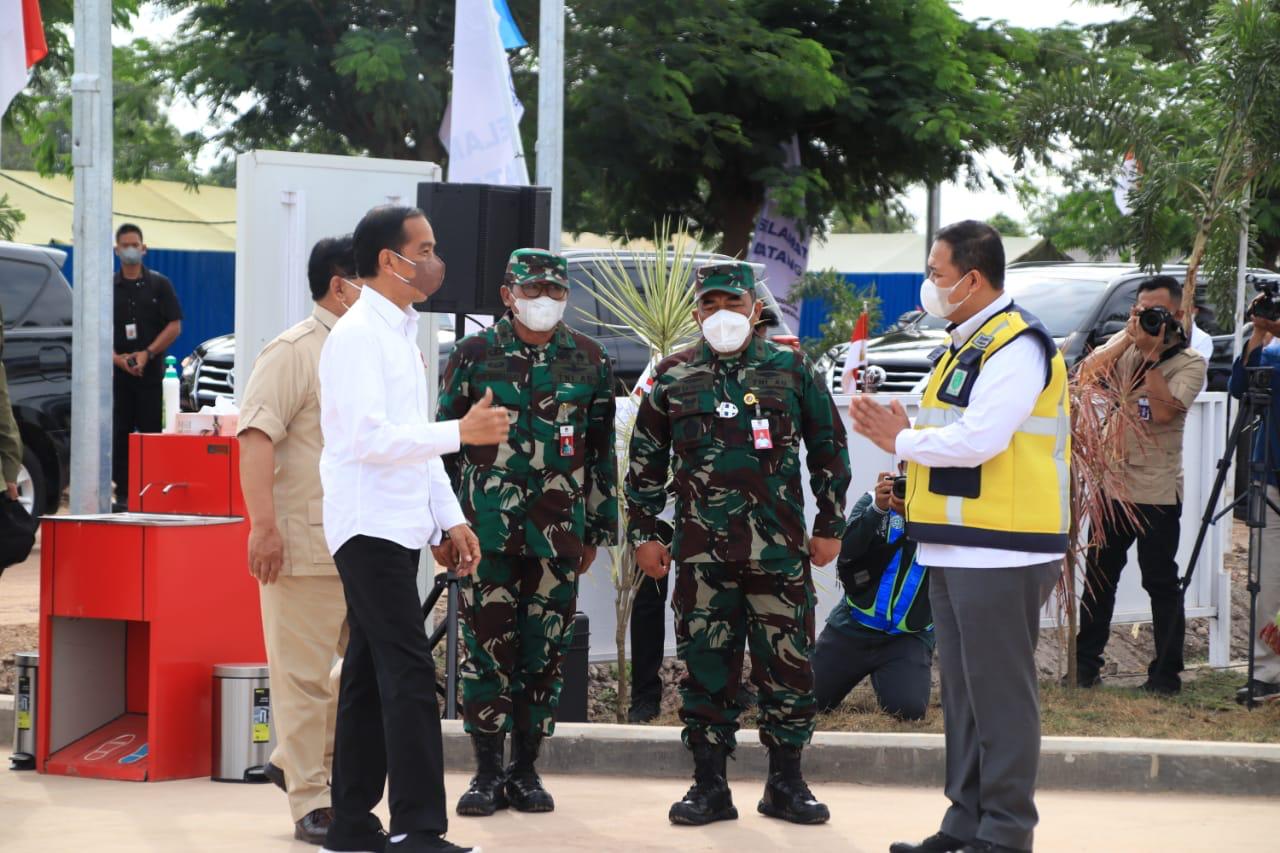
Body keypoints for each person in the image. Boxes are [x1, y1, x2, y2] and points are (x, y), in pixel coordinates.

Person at [851, 220, 1070, 853]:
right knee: (968, 698)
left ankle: (1005, 833)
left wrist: (901, 439)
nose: (929, 285)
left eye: (936, 274)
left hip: (1002, 546)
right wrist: (906, 438)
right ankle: (964, 824)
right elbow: (951, 432)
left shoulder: (1017, 345)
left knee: (1001, 695)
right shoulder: (964, 342)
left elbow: (981, 439)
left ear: (972, 280)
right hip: (955, 543)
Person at [627, 260, 850, 827]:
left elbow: (828, 447)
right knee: (706, 669)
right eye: (710, 305)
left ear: (755, 308)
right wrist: (646, 534)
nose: (721, 315)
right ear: (696, 311)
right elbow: (645, 464)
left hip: (778, 554)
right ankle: (709, 785)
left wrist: (831, 523)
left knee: (789, 669)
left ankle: (786, 783)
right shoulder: (674, 375)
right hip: (701, 558)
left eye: (733, 304)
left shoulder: (791, 369)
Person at [318, 205, 507, 853]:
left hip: (396, 527)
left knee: (372, 675)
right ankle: (419, 827)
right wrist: (462, 431)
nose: (433, 260)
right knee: (407, 672)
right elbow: (369, 439)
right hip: (365, 525)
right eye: (422, 249)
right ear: (387, 261)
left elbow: (413, 448)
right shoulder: (356, 336)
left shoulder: (400, 333)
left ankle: (350, 823)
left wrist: (448, 519)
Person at [437, 248, 617, 817]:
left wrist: (597, 533)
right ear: (508, 294)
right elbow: (443, 442)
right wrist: (439, 523)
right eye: (533, 290)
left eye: (555, 292)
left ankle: (525, 771)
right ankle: (486, 773)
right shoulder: (473, 355)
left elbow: (602, 452)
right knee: (487, 653)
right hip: (482, 535)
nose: (545, 301)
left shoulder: (589, 359)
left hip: (558, 537)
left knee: (544, 654)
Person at [237, 235, 365, 844]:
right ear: (340, 285)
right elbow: (256, 436)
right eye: (366, 277)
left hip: (365, 546)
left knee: (372, 669)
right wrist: (262, 527)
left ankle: (295, 761)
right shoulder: (293, 351)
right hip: (303, 544)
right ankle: (310, 799)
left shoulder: (373, 350)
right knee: (303, 678)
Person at [626, 304, 781, 725]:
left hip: (738, 519)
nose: (759, 337)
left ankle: (736, 684)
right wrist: (644, 522)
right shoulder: (673, 371)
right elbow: (640, 442)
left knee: (740, 603)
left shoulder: (770, 372)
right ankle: (644, 693)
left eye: (762, 329)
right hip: (674, 510)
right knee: (652, 602)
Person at [1072, 276, 1205, 695]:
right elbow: (1084, 375)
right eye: (1140, 310)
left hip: (1157, 491)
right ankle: (1083, 670)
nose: (1146, 319)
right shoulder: (1127, 345)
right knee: (1098, 579)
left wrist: (1150, 355)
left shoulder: (1190, 363)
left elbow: (1165, 413)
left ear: (1178, 315)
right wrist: (1128, 338)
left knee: (1161, 583)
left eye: (1155, 313)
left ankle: (1164, 677)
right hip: (1113, 488)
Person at [813, 471, 932, 721]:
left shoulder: (944, 513)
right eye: (904, 470)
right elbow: (847, 551)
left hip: (906, 637)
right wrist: (878, 510)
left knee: (909, 712)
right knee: (807, 701)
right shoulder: (871, 501)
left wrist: (919, 517)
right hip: (853, 626)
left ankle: (891, 674)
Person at [1228, 298, 1280, 705]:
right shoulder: (1267, 344)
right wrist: (1259, 334)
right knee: (1266, 581)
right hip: (1269, 473)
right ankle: (1267, 671)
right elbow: (1240, 390)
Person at [112, 223, 182, 509]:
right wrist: (117, 358)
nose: (130, 250)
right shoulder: (107, 288)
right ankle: (124, 494)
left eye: (134, 245)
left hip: (152, 375)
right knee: (121, 434)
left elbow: (175, 325)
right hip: (118, 377)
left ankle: (153, 491)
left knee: (152, 433)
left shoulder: (159, 284)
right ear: (117, 250)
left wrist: (148, 353)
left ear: (144, 248)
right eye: (125, 245)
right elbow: (94, 328)